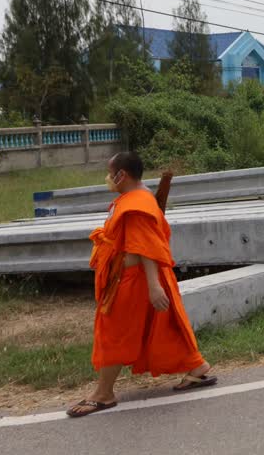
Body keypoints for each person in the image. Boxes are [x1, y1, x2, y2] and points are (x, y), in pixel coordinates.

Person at [67, 153, 216, 418]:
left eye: (109, 173)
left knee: (113, 331)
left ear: (121, 175)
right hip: (138, 277)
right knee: (162, 326)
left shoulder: (137, 205)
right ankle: (197, 367)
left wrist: (153, 286)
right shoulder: (138, 198)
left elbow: (144, 247)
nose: (107, 178)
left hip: (134, 280)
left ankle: (104, 393)